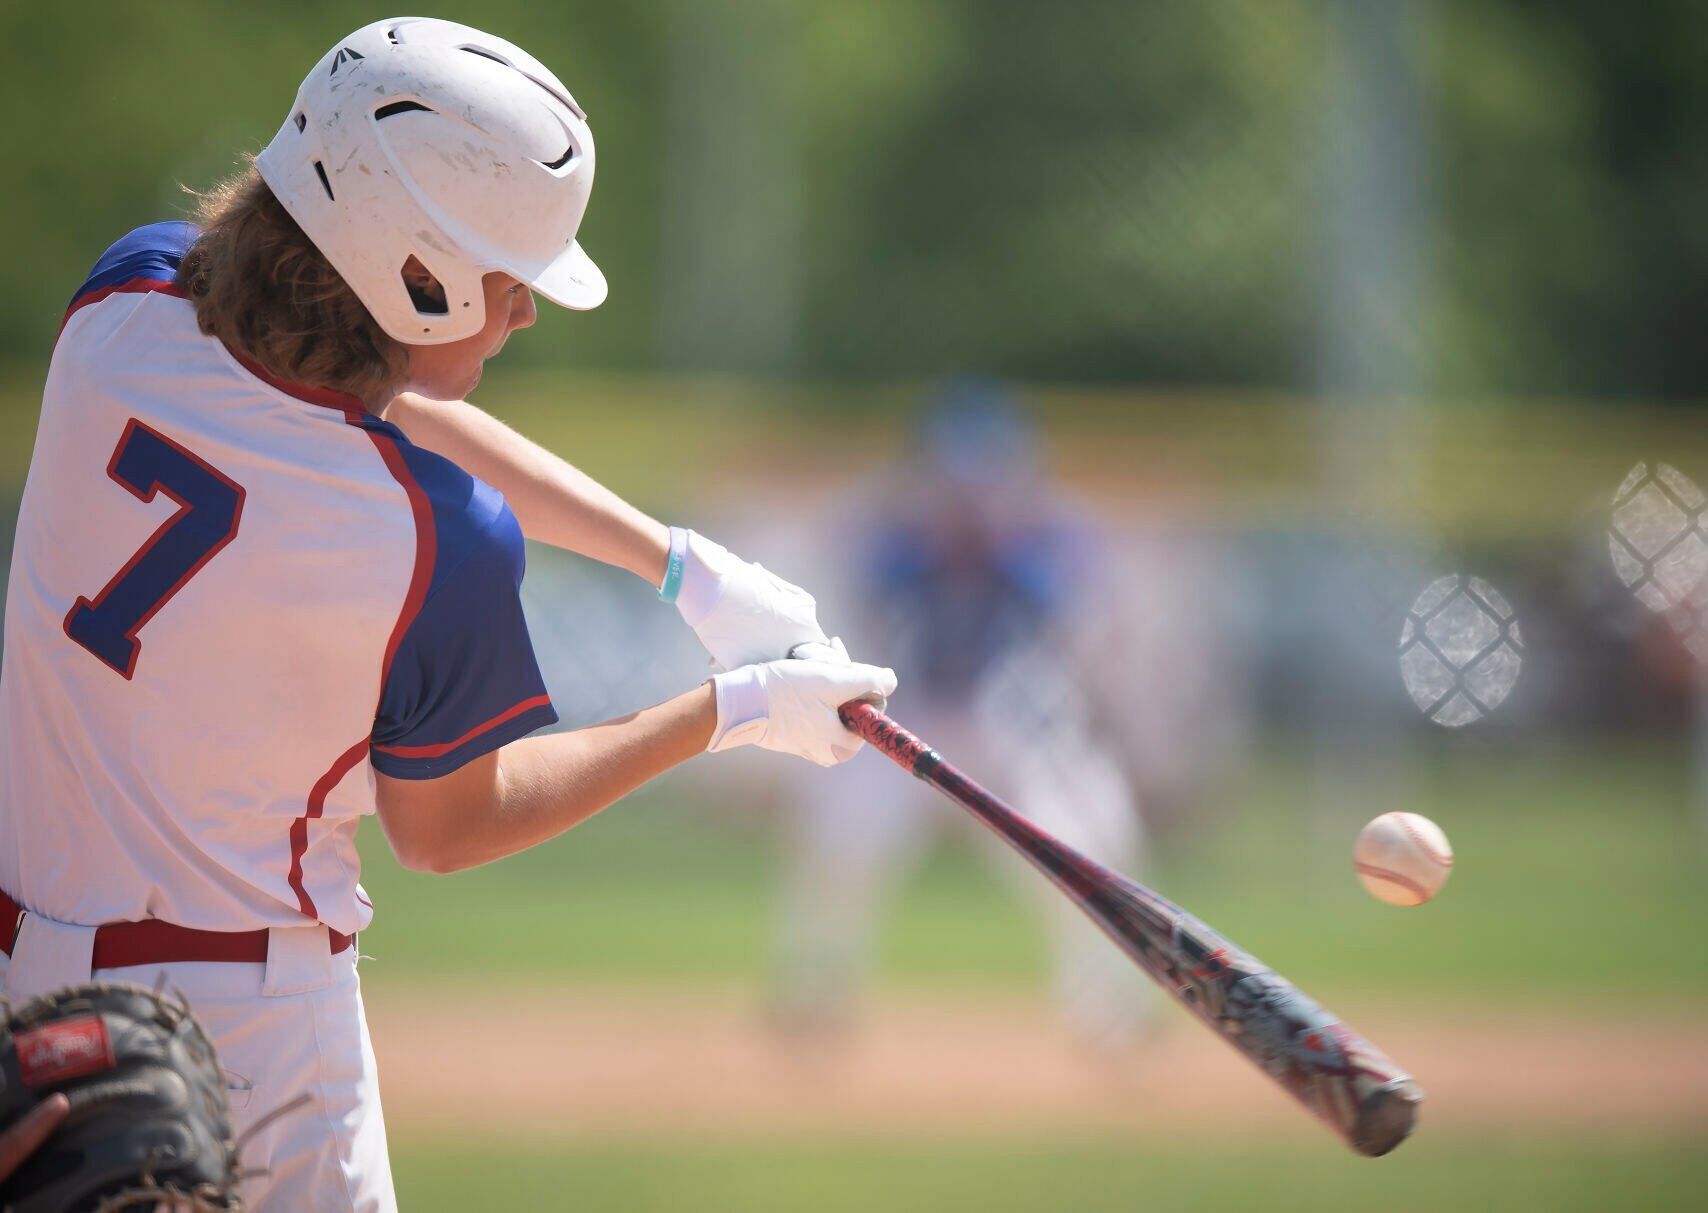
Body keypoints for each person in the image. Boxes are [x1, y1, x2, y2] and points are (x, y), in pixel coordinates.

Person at [0, 18, 893, 1212]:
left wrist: (681, 566)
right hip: (247, 1037)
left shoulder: (122, 299)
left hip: (22, 993)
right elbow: (447, 829)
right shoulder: (435, 536)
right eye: (508, 280)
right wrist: (728, 712)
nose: (524, 312)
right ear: (416, 276)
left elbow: (353, 404)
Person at [770, 380, 1157, 1051]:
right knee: (842, 844)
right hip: (911, 716)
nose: (971, 493)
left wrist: (1001, 545)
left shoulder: (1042, 537)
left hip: (1008, 725)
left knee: (1081, 845)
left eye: (987, 475)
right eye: (957, 476)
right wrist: (939, 541)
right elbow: (863, 581)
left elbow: (1077, 608)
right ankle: (814, 993)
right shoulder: (899, 535)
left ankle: (1109, 1009)